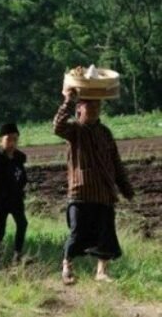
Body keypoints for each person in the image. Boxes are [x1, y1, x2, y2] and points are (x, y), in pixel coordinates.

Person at [55, 87, 134, 285]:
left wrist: (125, 187)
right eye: (89, 105)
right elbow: (57, 126)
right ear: (80, 108)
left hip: (104, 192)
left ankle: (101, 271)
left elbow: (115, 162)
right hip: (81, 191)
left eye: (97, 105)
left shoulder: (105, 132)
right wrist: (68, 101)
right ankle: (67, 267)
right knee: (77, 232)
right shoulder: (74, 130)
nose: (94, 108)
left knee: (105, 233)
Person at [0, 123, 28, 263]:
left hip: (16, 199)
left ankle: (18, 254)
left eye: (15, 139)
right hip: (1, 201)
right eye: (8, 139)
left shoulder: (19, 158)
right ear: (0, 141)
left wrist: (20, 190)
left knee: (22, 224)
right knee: (0, 229)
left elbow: (22, 176)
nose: (12, 143)